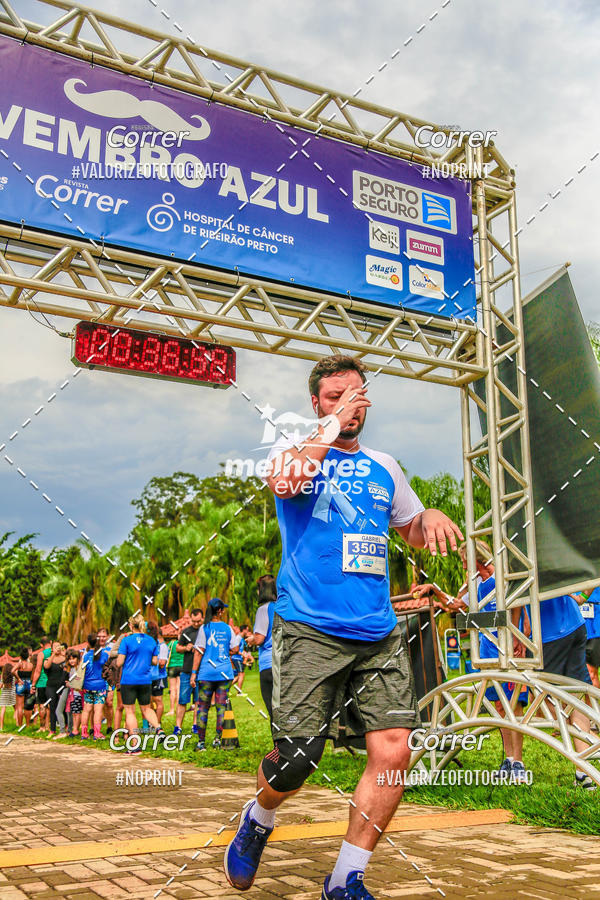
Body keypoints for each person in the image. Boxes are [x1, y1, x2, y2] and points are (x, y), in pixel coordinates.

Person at [224, 354, 462, 899]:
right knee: (298, 759)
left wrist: (427, 518)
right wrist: (329, 428)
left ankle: (345, 877)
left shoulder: (385, 465)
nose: (351, 405)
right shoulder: (296, 451)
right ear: (317, 403)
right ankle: (258, 817)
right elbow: (285, 483)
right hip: (308, 627)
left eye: (358, 395)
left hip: (378, 632)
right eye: (337, 397)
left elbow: (411, 529)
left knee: (394, 752)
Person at [463, 541, 530, 782]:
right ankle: (508, 759)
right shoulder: (477, 585)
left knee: (514, 703)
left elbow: (520, 610)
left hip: (509, 649)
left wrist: (519, 637)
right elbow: (460, 605)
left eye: (465, 561)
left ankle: (519, 761)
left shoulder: (503, 577)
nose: (464, 567)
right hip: (488, 650)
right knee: (499, 705)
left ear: (477, 559)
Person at [538, 591, 596, 789]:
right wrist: (581, 597)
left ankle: (587, 745)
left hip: (549, 630)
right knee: (575, 697)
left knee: (542, 696)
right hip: (575, 624)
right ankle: (583, 772)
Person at [190, 598, 239, 751]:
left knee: (203, 707)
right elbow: (235, 649)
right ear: (219, 611)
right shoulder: (227, 628)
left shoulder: (204, 628)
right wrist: (224, 653)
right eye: (222, 609)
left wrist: (193, 674)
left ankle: (201, 742)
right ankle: (217, 740)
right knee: (221, 707)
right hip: (224, 673)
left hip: (207, 673)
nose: (224, 611)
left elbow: (199, 652)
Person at [116, 613, 165, 751]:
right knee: (146, 709)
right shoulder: (151, 640)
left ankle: (135, 744)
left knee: (130, 712)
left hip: (129, 680)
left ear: (131, 625)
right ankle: (158, 728)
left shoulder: (126, 640)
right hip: (145, 680)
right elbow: (155, 661)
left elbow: (119, 662)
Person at [246, 575, 277, 723]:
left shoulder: (263, 609)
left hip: (268, 664)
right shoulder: (282, 608)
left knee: (273, 709)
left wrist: (251, 639)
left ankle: (278, 738)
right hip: (284, 662)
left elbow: (259, 638)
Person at [173, 609, 203, 736]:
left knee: (198, 700)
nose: (196, 624)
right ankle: (178, 726)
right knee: (182, 700)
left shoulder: (205, 631)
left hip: (201, 671)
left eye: (198, 621)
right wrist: (186, 648)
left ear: (202, 618)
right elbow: (177, 647)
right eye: (193, 621)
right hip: (186, 671)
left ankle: (195, 725)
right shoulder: (186, 632)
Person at [570, 585, 600, 689]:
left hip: (594, 625)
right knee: (570, 677)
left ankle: (592, 700)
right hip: (570, 625)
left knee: (591, 674)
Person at [81, 633, 109, 740]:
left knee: (86, 710)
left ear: (88, 643)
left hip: (87, 685)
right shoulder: (103, 655)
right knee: (98, 710)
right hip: (100, 686)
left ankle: (84, 734)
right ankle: (97, 733)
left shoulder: (85, 656)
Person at [147, 621, 169, 725]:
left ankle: (158, 723)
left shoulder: (162, 646)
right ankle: (152, 722)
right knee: (149, 700)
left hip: (160, 676)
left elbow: (162, 663)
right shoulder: (152, 644)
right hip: (150, 676)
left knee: (158, 700)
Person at [44, 641, 67, 737]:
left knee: (64, 707)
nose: (57, 648)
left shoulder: (65, 659)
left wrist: (63, 655)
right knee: (52, 707)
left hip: (62, 686)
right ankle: (52, 729)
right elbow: (46, 666)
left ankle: (66, 727)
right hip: (51, 686)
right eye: (55, 646)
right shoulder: (48, 659)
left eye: (59, 646)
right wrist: (53, 654)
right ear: (52, 648)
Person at [31, 636, 52, 732]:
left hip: (42, 682)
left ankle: (42, 727)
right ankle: (48, 726)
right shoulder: (54, 653)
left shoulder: (41, 654)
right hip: (51, 682)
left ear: (41, 645)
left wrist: (33, 684)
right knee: (50, 706)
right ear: (50, 642)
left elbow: (38, 670)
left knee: (42, 705)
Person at [97, 627, 115, 734]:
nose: (102, 638)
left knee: (109, 702)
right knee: (100, 703)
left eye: (104, 636)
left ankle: (109, 726)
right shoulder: (95, 648)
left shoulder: (112, 647)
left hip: (109, 678)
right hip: (98, 678)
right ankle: (96, 727)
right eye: (99, 636)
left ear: (108, 636)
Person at [12, 649, 34, 728]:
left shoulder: (20, 664)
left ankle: (20, 725)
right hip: (29, 684)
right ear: (28, 656)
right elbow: (33, 675)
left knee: (19, 707)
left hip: (21, 684)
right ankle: (28, 725)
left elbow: (12, 671)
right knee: (28, 707)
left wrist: (18, 679)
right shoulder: (31, 665)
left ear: (20, 656)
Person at [166, 630, 185, 716]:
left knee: (172, 688)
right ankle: (178, 708)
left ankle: (171, 709)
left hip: (172, 666)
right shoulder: (185, 645)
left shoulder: (172, 643)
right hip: (182, 666)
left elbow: (166, 652)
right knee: (179, 688)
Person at [231, 625, 250, 693]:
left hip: (239, 658)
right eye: (247, 630)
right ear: (244, 630)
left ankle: (226, 689)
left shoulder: (241, 638)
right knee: (241, 674)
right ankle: (239, 692)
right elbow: (234, 649)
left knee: (239, 675)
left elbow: (240, 649)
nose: (248, 631)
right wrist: (242, 654)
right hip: (236, 658)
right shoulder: (238, 638)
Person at [0, 663, 16, 730]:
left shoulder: (3, 676)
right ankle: (18, 724)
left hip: (4, 694)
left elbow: (0, 686)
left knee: (3, 709)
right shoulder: (13, 676)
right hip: (12, 693)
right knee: (16, 709)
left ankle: (1, 727)